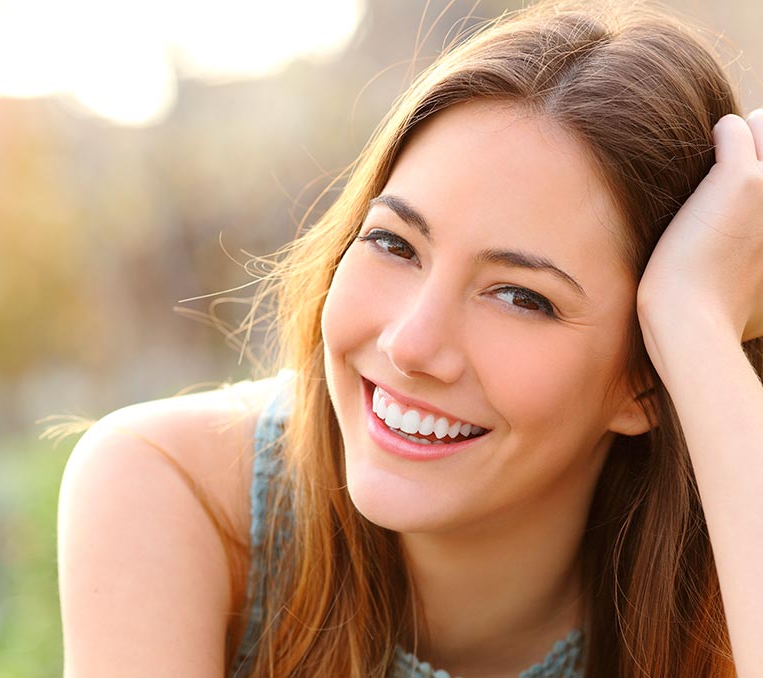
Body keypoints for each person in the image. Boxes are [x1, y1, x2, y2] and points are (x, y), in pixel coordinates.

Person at [56, 1, 763, 675]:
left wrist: (698, 328)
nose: (411, 343)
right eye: (395, 244)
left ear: (646, 380)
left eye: (521, 297)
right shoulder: (175, 491)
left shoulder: (727, 568)